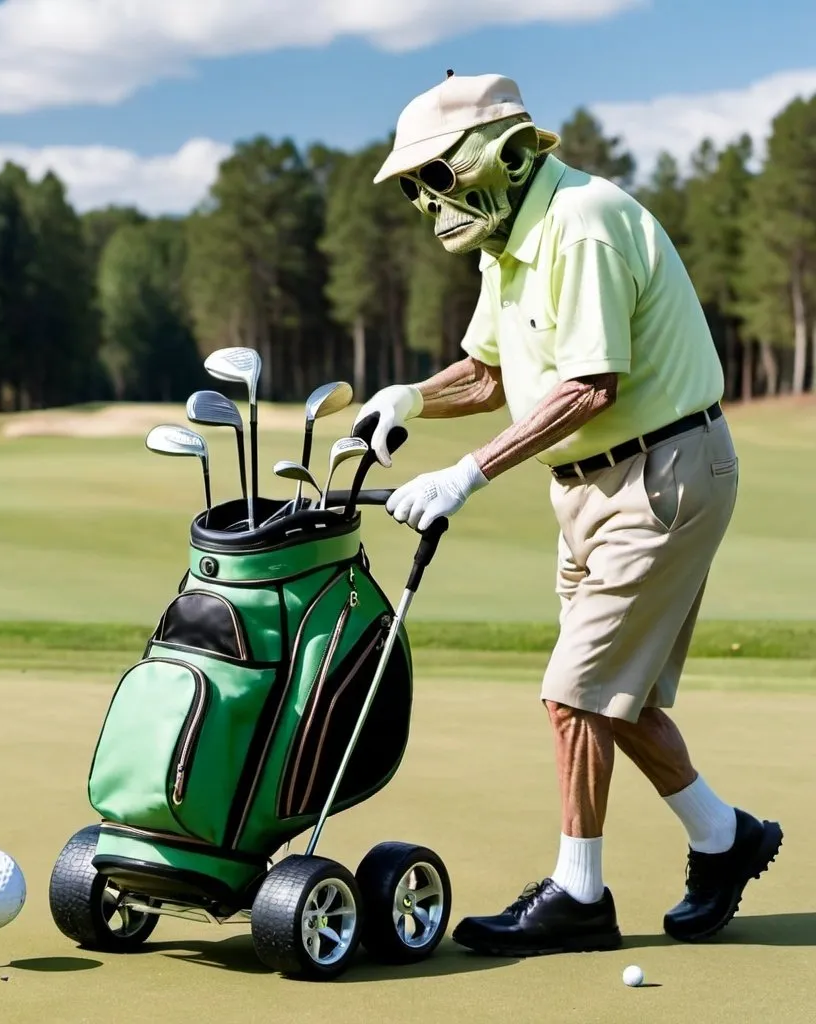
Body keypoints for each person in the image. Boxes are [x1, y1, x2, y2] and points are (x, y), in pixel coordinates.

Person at [354, 71, 783, 956]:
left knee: (574, 695)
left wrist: (465, 474)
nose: (428, 199)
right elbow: (488, 373)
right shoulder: (507, 241)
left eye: (438, 174)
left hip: (659, 474)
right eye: (417, 185)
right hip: (590, 489)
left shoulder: (580, 223)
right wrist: (409, 399)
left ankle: (578, 897)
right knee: (609, 701)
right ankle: (722, 836)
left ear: (501, 157)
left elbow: (591, 384)